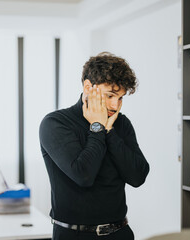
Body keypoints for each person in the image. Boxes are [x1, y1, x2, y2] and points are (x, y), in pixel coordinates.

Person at [39, 52, 150, 240]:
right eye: (110, 95)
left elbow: (138, 176)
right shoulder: (56, 123)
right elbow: (83, 175)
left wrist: (109, 131)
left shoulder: (121, 124)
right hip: (73, 235)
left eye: (121, 98)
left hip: (120, 233)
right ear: (88, 87)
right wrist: (97, 127)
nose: (115, 105)